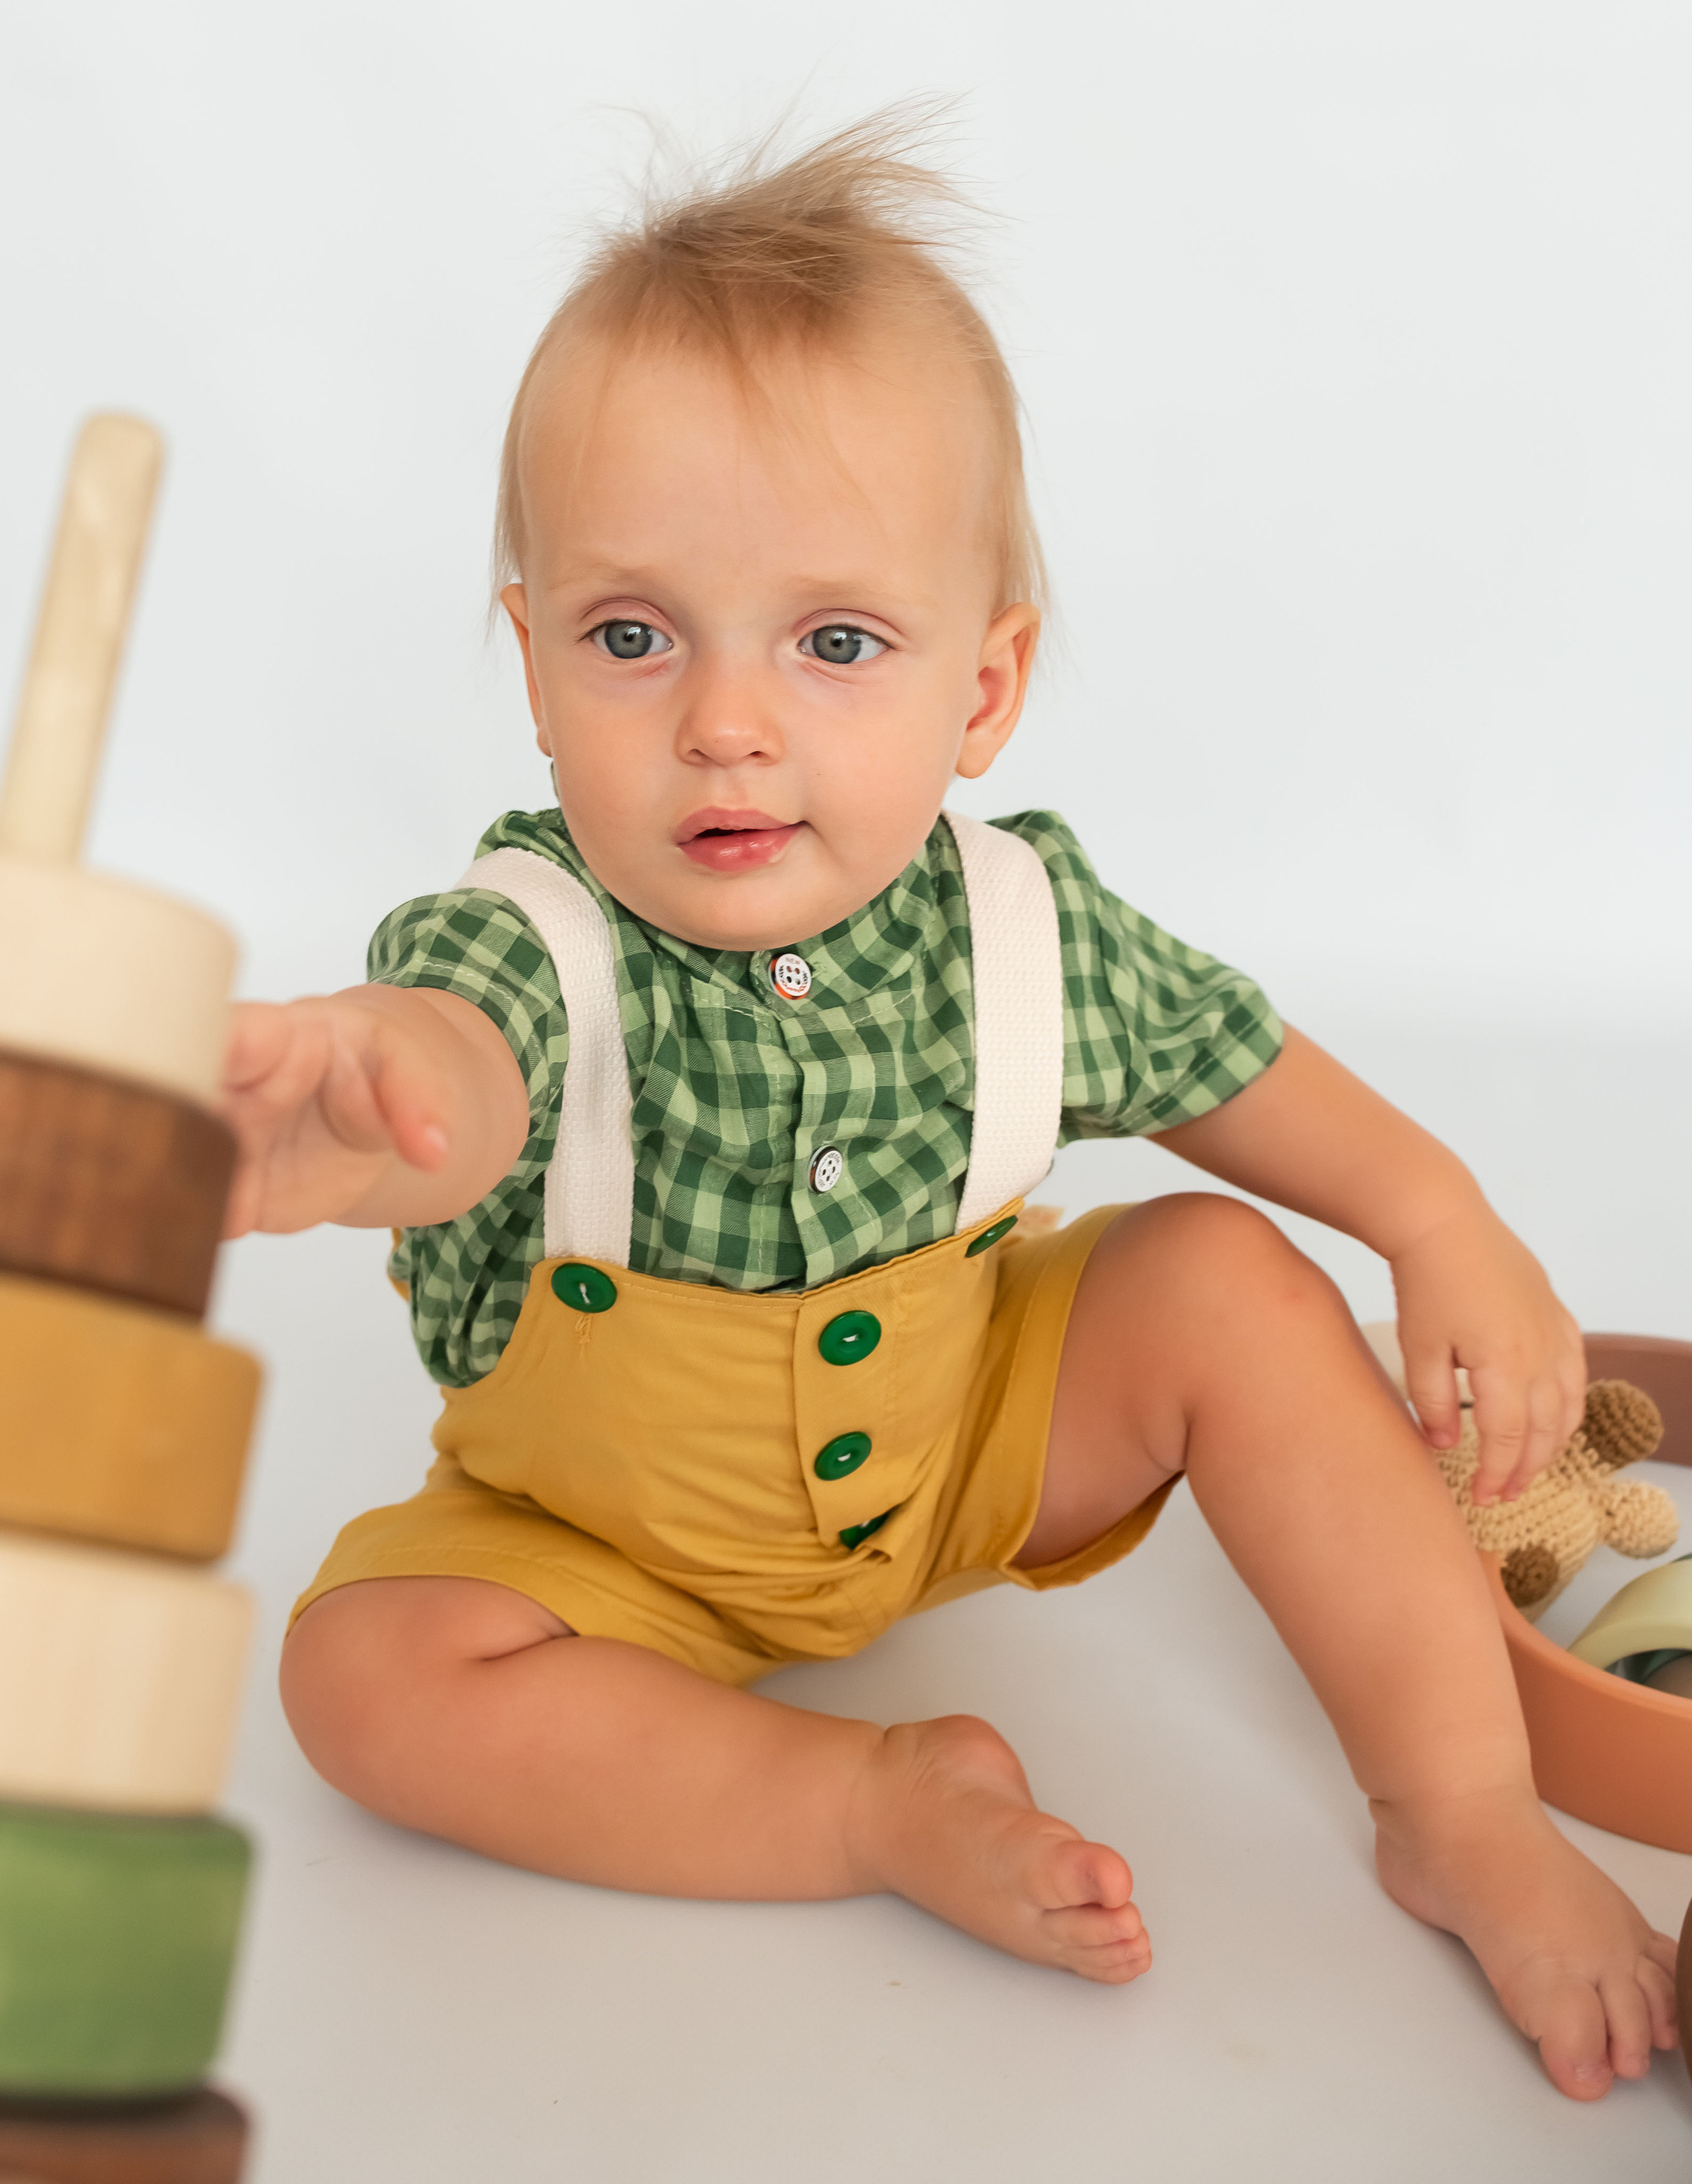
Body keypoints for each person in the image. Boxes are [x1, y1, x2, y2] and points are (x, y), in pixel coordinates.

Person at [226, 116, 1676, 2100]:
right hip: (608, 1541)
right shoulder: (521, 938)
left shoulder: (1019, 924)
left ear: (983, 690)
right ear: (538, 668)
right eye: (634, 634)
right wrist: (382, 1098)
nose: (726, 719)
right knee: (354, 1679)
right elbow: (465, 1072)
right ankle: (860, 1805)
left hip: (972, 1439)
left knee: (1226, 1278)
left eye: (833, 642)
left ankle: (1468, 1808)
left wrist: (1435, 1212)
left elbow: (1238, 1068)